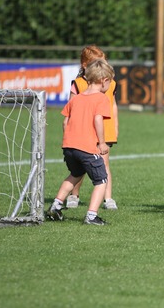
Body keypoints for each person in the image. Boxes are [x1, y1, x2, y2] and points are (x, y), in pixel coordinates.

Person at [46, 58, 114, 225]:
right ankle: (91, 216)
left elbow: (65, 122)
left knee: (76, 174)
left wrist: (69, 140)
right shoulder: (101, 98)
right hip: (87, 148)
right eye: (110, 82)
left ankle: (56, 206)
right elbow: (98, 119)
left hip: (69, 147)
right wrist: (102, 142)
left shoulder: (76, 99)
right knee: (101, 180)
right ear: (104, 80)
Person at [66, 45, 119, 210]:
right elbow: (71, 108)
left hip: (105, 128)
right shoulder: (79, 84)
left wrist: (115, 125)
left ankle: (108, 198)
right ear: (85, 65)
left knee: (104, 164)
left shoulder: (110, 83)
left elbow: (113, 105)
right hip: (84, 130)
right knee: (80, 166)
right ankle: (74, 195)